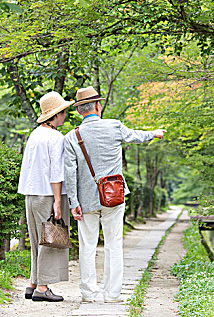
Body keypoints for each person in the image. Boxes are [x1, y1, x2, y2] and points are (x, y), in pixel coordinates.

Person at [64, 86, 165, 303]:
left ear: (80, 111)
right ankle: (112, 294)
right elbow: (136, 137)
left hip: (86, 199)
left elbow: (69, 172)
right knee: (113, 243)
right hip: (114, 196)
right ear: (98, 106)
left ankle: (89, 293)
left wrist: (73, 201)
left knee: (88, 245)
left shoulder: (72, 136)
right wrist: (154, 134)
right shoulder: (114, 126)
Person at [18, 91, 74, 302]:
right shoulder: (55, 138)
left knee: (36, 239)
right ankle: (42, 287)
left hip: (31, 194)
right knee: (51, 239)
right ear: (57, 114)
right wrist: (58, 202)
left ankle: (33, 282)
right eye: (63, 111)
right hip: (48, 194)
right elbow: (56, 172)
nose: (65, 114)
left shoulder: (36, 134)